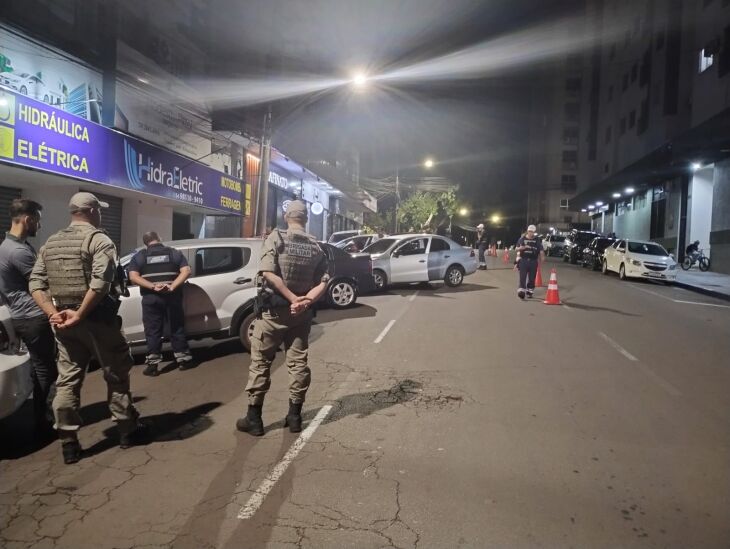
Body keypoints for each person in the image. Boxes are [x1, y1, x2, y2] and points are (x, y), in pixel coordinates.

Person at [29, 192, 148, 464]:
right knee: (116, 373)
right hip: (95, 321)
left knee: (67, 380)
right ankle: (128, 431)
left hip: (64, 323)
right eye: (100, 210)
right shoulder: (99, 240)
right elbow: (100, 283)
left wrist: (54, 314)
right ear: (93, 211)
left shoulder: (51, 242)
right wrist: (80, 314)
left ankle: (69, 444)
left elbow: (35, 283)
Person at [236, 200, 329, 437]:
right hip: (301, 316)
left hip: (273, 314)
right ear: (305, 218)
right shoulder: (316, 246)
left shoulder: (276, 238)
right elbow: (323, 283)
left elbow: (268, 274)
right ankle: (295, 417)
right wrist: (304, 301)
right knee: (298, 363)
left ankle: (254, 419)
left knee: (261, 363)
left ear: (287, 216)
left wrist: (291, 299)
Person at [0, 199, 57, 434]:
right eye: (38, 221)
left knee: (38, 368)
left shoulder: (6, 246)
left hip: (21, 315)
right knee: (47, 370)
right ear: (28, 219)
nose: (39, 227)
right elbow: (41, 284)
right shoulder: (19, 251)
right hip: (33, 317)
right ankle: (44, 422)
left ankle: (40, 415)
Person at [127, 232, 193, 376]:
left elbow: (133, 276)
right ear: (160, 239)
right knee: (176, 327)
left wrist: (153, 286)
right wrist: (172, 286)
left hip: (151, 298)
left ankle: (153, 366)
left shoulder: (140, 256)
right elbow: (186, 271)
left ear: (145, 243)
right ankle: (184, 360)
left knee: (153, 331)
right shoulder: (174, 253)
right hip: (172, 296)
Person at [515, 224, 545, 300]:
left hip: (533, 261)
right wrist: (521, 248)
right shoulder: (522, 239)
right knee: (523, 277)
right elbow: (516, 249)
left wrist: (542, 257)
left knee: (532, 278)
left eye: (532, 232)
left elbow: (541, 249)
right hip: (523, 260)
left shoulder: (537, 240)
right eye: (529, 231)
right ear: (527, 231)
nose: (531, 233)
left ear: (534, 232)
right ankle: (521, 290)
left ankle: (530, 290)